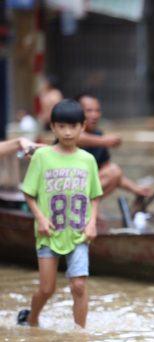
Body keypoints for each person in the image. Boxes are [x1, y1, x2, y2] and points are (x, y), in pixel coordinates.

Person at [18, 99, 103, 328]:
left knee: (79, 286)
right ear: (53, 127)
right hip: (49, 231)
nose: (68, 132)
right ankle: (32, 319)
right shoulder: (42, 157)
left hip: (78, 233)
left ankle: (80, 337)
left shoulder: (88, 160)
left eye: (73, 126)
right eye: (62, 126)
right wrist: (40, 217)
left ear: (82, 127)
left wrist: (92, 222)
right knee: (47, 289)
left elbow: (94, 195)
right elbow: (29, 193)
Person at [75, 93, 152, 198]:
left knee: (114, 171)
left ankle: (87, 208)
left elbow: (112, 174)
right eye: (89, 111)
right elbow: (76, 137)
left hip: (82, 188)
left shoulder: (98, 135)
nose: (95, 115)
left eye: (97, 110)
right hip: (64, 185)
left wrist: (136, 189)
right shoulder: (69, 132)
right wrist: (103, 141)